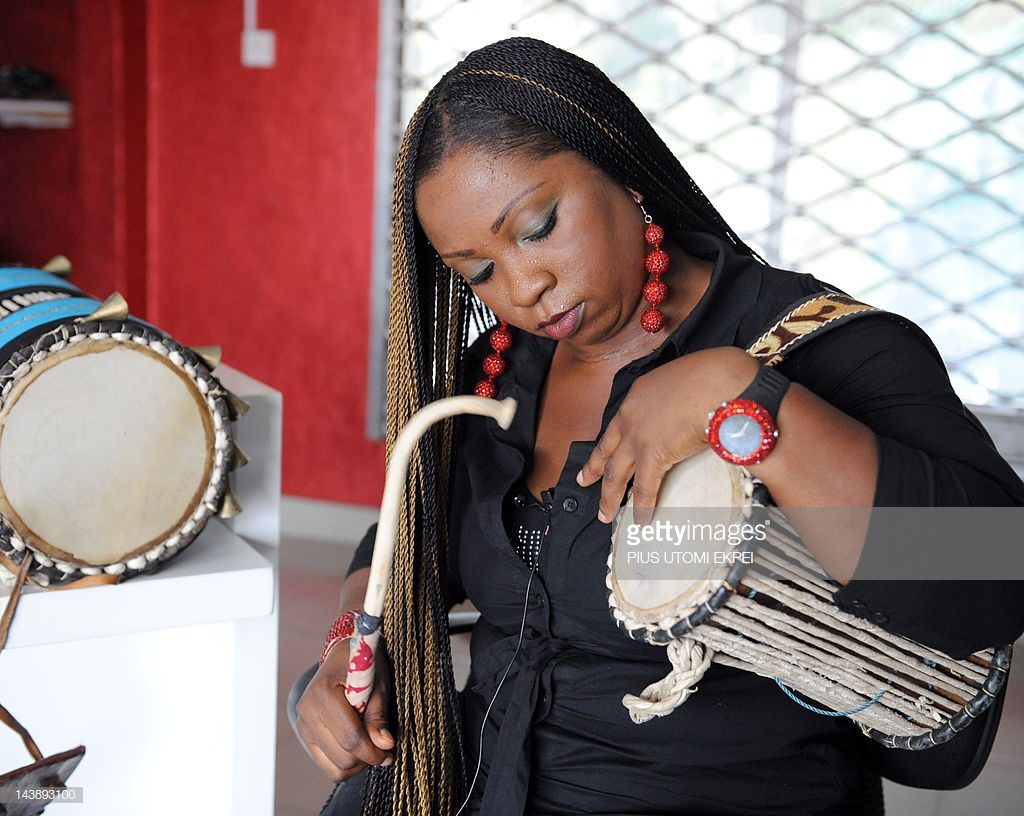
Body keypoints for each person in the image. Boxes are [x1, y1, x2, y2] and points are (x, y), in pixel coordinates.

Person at [294, 37, 1024, 816]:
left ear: (621, 168)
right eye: (479, 271)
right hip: (482, 781)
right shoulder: (497, 376)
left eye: (538, 226)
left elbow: (993, 574)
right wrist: (347, 647)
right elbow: (402, 542)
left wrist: (741, 398)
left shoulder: (819, 345)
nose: (525, 286)